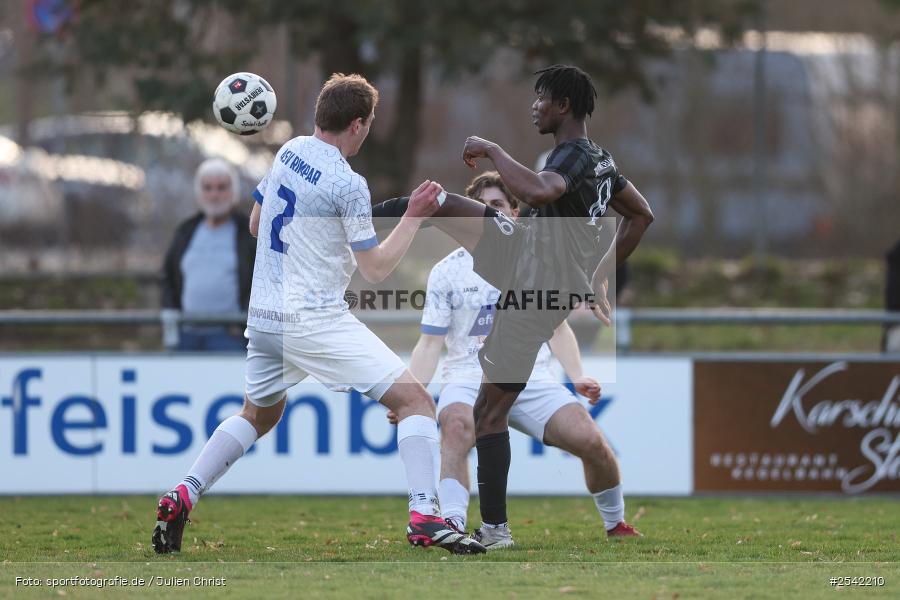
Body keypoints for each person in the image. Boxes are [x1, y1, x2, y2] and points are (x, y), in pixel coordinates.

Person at [151, 73, 484, 555]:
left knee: (258, 413)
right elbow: (375, 269)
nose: (368, 131)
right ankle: (425, 516)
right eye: (369, 123)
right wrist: (413, 216)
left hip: (264, 317)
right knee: (416, 401)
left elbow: (256, 222)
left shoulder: (288, 152)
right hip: (314, 319)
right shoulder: (348, 183)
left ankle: (184, 493)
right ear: (357, 124)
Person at [371, 64, 654, 540]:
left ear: (563, 105)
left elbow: (540, 191)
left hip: (538, 293)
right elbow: (641, 214)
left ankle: (497, 530)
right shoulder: (601, 161)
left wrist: (494, 149)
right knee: (438, 201)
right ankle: (354, 221)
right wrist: (600, 273)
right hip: (526, 254)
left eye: (541, 98)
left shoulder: (572, 157)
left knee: (488, 414)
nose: (534, 106)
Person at [386, 171, 640, 548]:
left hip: (531, 376)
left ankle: (616, 523)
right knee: (455, 426)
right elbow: (429, 344)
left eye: (497, 205)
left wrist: (578, 375)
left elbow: (558, 329)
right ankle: (452, 524)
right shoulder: (446, 272)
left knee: (591, 441)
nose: (488, 213)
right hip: (468, 376)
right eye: (481, 207)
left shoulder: (536, 262)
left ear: (514, 213)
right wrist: (412, 393)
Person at [161, 158, 255, 351]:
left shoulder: (248, 233)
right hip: (186, 336)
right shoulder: (186, 231)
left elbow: (263, 281)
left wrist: (243, 324)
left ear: (234, 192)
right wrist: (172, 318)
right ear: (199, 193)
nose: (214, 195)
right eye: (208, 188)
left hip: (229, 338)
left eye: (222, 187)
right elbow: (167, 278)